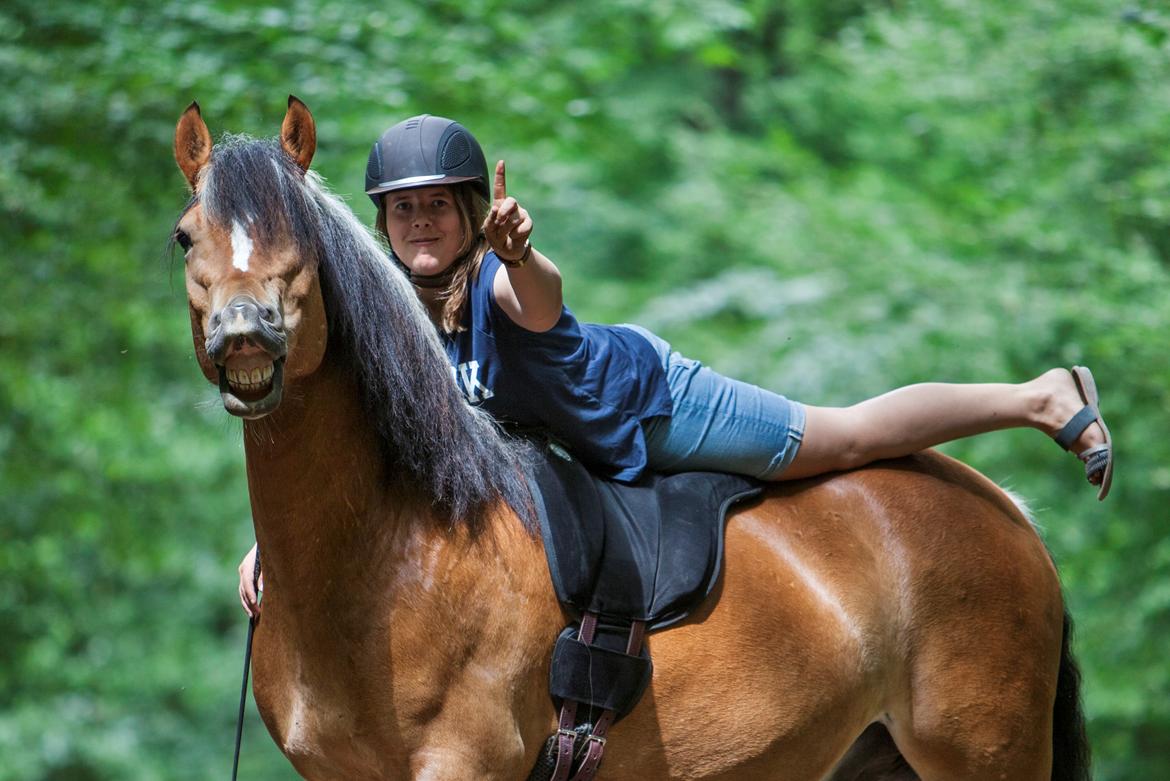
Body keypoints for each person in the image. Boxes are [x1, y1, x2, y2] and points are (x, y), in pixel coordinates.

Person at [237, 114, 1113, 616]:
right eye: (403, 211)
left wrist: (523, 251)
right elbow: (370, 458)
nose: (421, 223)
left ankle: (1035, 396)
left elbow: (539, 302)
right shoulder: (396, 326)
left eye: (439, 206)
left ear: (473, 213)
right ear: (382, 226)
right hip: (579, 467)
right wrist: (271, 545)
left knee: (842, 438)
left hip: (648, 408)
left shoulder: (499, 278)